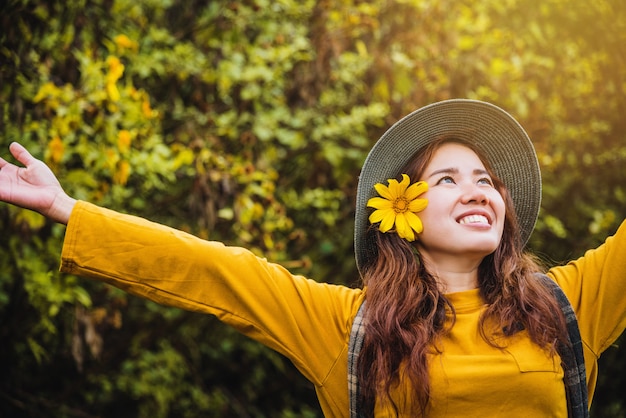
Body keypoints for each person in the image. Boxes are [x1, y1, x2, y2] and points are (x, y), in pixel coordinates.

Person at [0, 99, 624, 417]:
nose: (478, 190)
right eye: (447, 180)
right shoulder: (348, 328)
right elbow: (216, 272)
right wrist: (68, 210)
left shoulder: (567, 307)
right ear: (402, 216)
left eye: (486, 180)